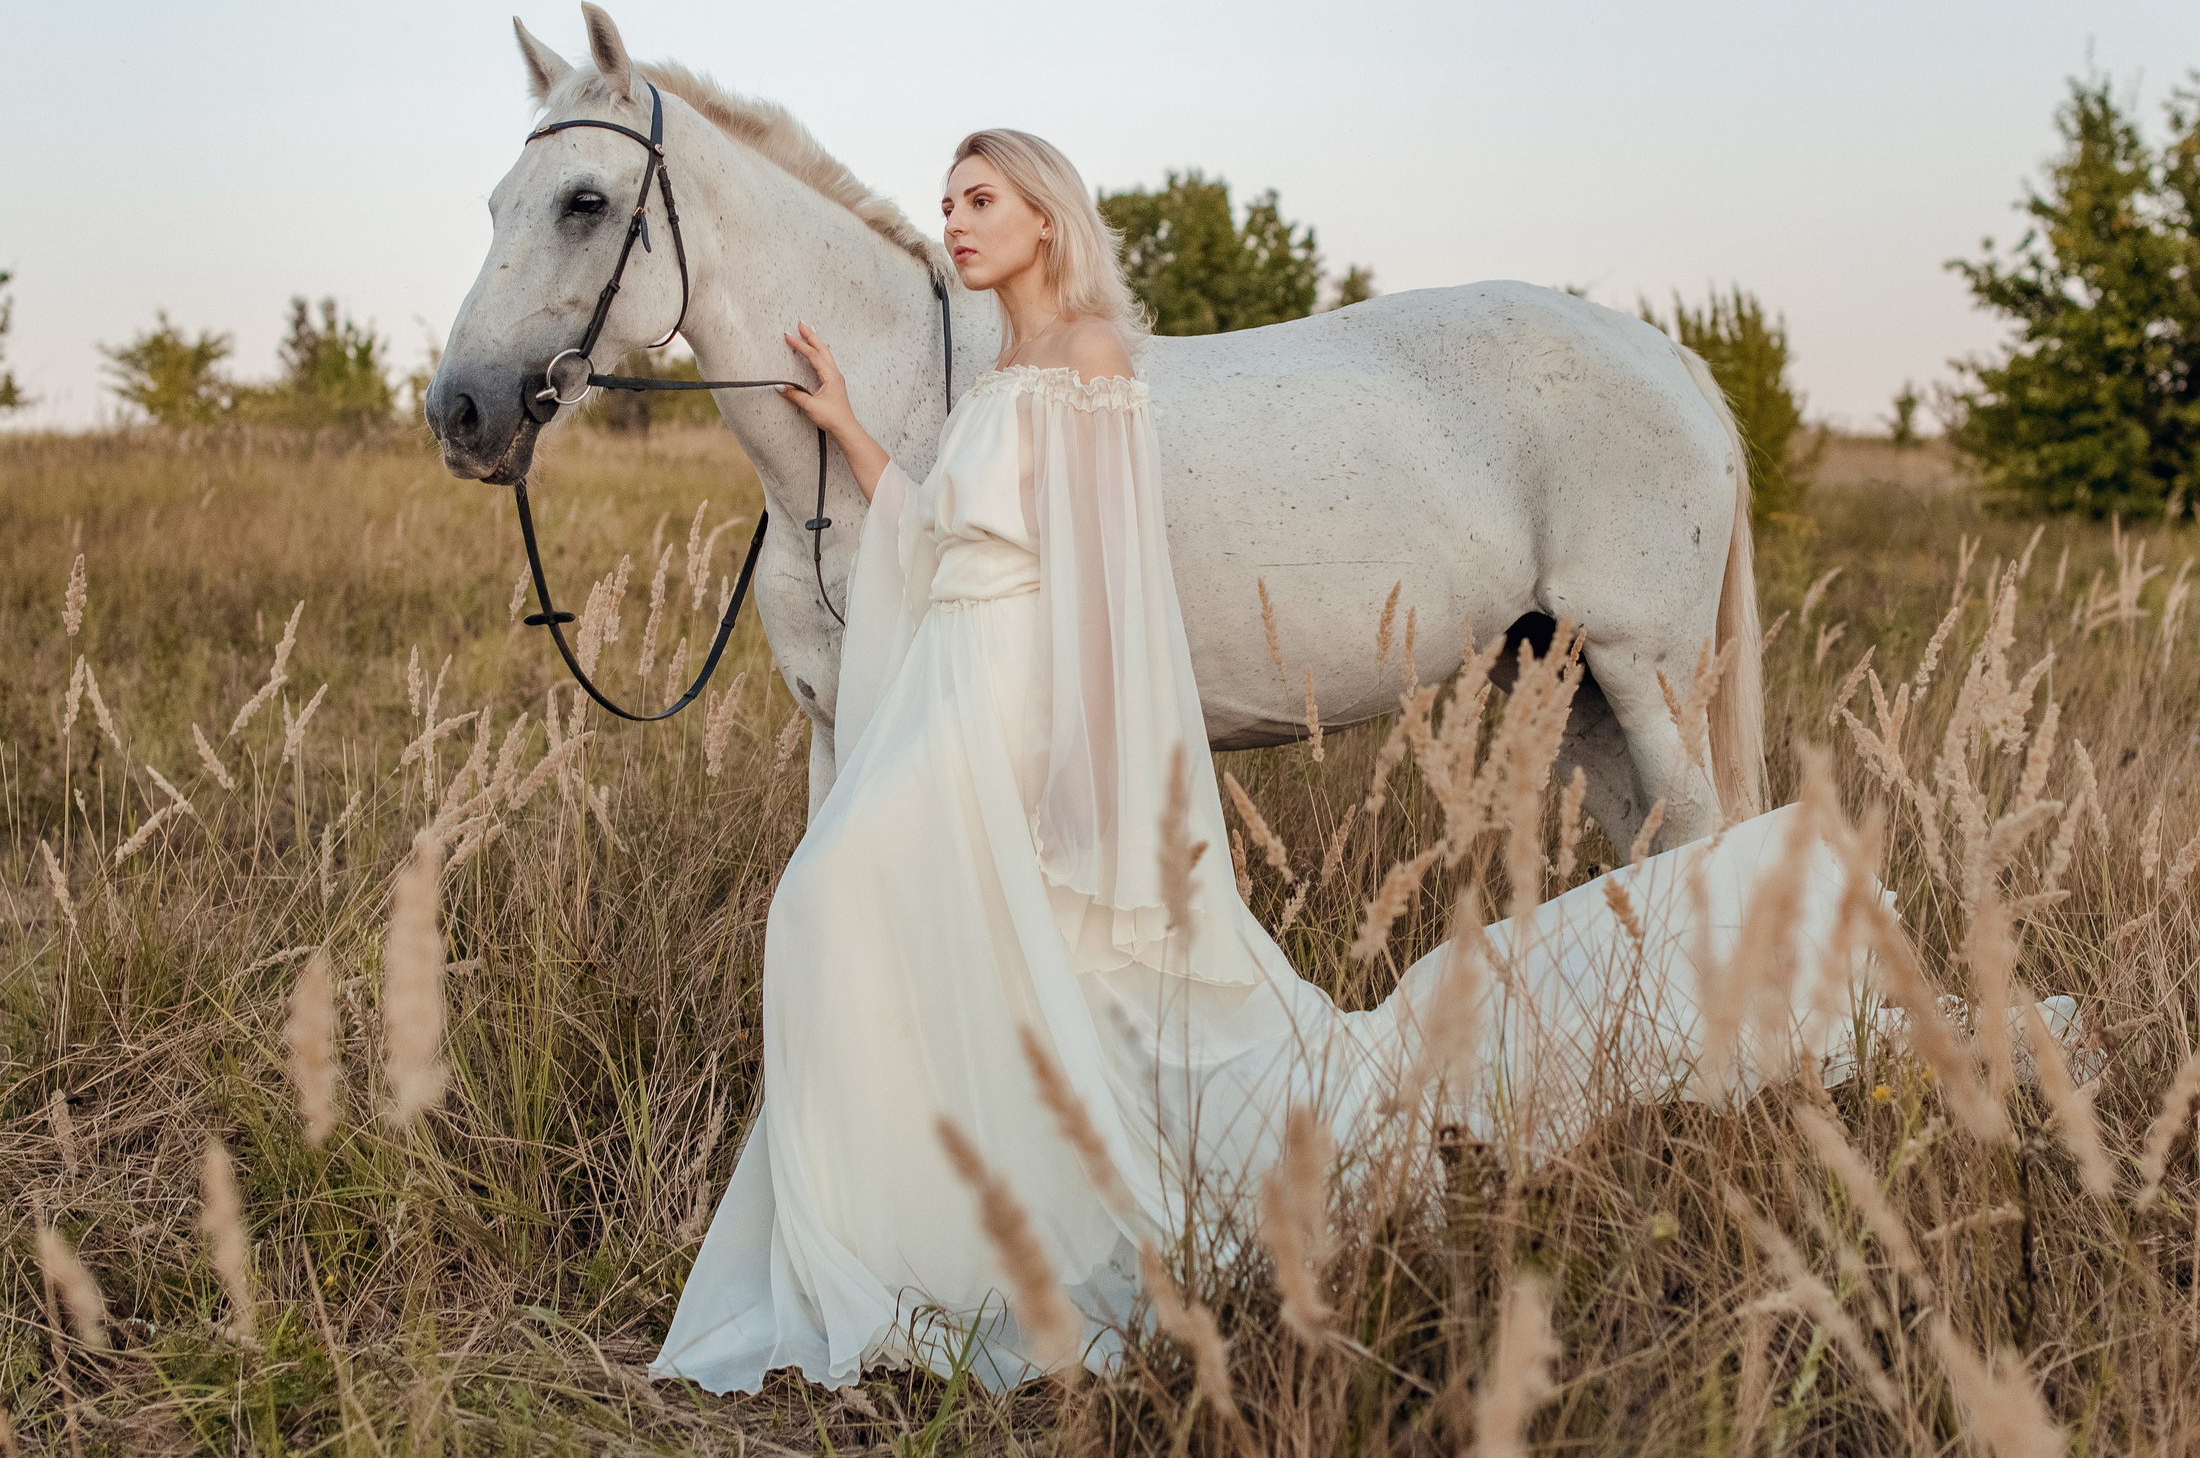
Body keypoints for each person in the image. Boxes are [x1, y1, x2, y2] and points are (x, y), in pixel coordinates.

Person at [647, 129, 1889, 1394]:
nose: (953, 222)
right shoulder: (1003, 372)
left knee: (829, 898)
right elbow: (940, 538)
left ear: (1044, 217)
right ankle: (924, 1225)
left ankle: (939, 1232)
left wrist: (1074, 778)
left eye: (981, 200)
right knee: (854, 911)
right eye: (948, 202)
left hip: (1001, 704)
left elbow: (1104, 590)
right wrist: (853, 431)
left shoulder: (1088, 358)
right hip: (958, 690)